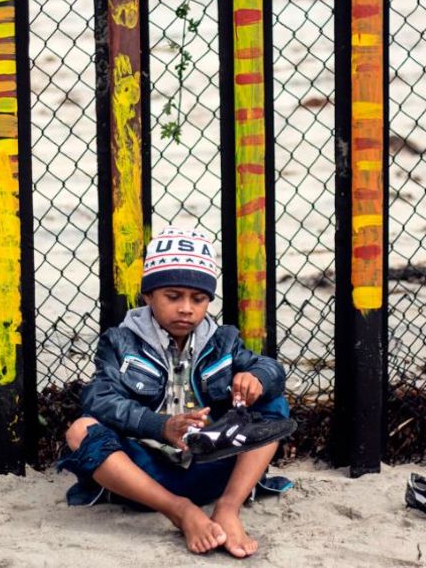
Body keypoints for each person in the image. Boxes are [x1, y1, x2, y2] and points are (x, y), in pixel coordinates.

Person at [59, 227, 293, 558]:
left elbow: (272, 370)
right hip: (143, 474)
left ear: (208, 301)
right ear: (148, 296)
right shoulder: (120, 341)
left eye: (198, 299)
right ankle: (180, 511)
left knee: (273, 402)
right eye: (173, 296)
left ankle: (227, 509)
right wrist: (160, 426)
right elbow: (99, 399)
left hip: (213, 464)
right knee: (81, 430)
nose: (186, 309)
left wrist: (256, 377)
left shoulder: (223, 340)